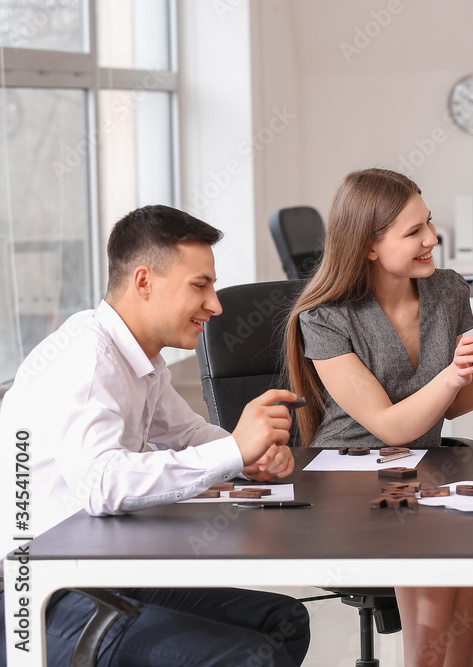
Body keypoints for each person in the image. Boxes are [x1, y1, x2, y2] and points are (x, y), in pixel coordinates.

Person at [0, 205, 311, 666]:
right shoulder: (87, 360)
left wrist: (249, 456)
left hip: (102, 567)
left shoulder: (140, 361)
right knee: (247, 656)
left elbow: (186, 434)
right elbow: (100, 484)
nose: (216, 305)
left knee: (281, 622)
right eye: (200, 285)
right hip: (40, 593)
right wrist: (232, 449)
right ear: (143, 281)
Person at [285, 168, 473, 667]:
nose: (432, 239)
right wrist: (454, 374)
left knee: (467, 558)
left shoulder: (448, 290)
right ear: (368, 245)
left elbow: (451, 403)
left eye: (428, 223)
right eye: (413, 232)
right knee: (436, 547)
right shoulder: (324, 317)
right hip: (344, 474)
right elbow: (390, 426)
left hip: (419, 466)